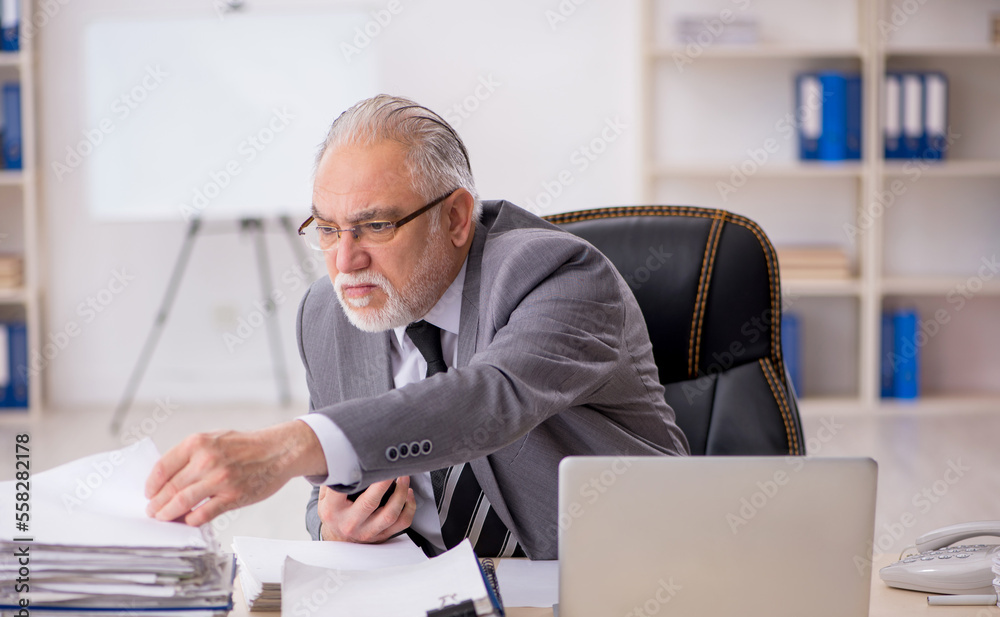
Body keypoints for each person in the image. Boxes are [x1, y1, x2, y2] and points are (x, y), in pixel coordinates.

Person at [144, 94, 688, 559]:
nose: (345, 261)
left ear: (454, 218)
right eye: (328, 230)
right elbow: (334, 482)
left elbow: (488, 400)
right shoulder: (326, 312)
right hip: (423, 607)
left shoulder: (559, 275)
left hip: (610, 576)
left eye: (375, 226)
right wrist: (333, 526)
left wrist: (284, 448)